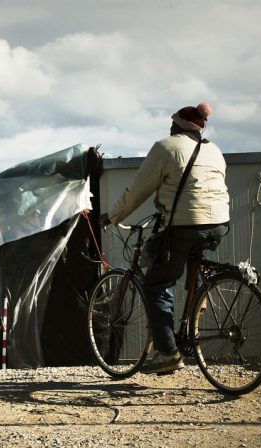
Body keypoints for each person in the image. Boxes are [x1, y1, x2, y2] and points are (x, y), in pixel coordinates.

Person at [99, 103, 230, 374]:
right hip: (218, 225)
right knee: (190, 269)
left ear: (178, 126)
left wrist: (111, 216)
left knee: (156, 284)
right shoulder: (214, 150)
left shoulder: (166, 147)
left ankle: (168, 353)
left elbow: (138, 190)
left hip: (185, 226)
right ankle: (193, 318)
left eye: (172, 124)